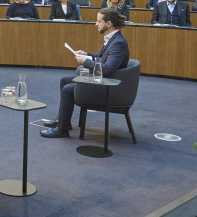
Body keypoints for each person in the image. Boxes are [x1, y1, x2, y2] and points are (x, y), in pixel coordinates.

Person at [41, 8, 130, 138]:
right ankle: (64, 121)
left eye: (99, 21)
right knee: (65, 80)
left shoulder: (118, 43)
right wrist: (87, 55)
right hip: (103, 80)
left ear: (108, 24)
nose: (96, 24)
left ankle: (62, 130)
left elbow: (107, 69)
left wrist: (85, 62)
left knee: (68, 89)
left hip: (109, 87)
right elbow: (101, 58)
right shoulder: (112, 38)